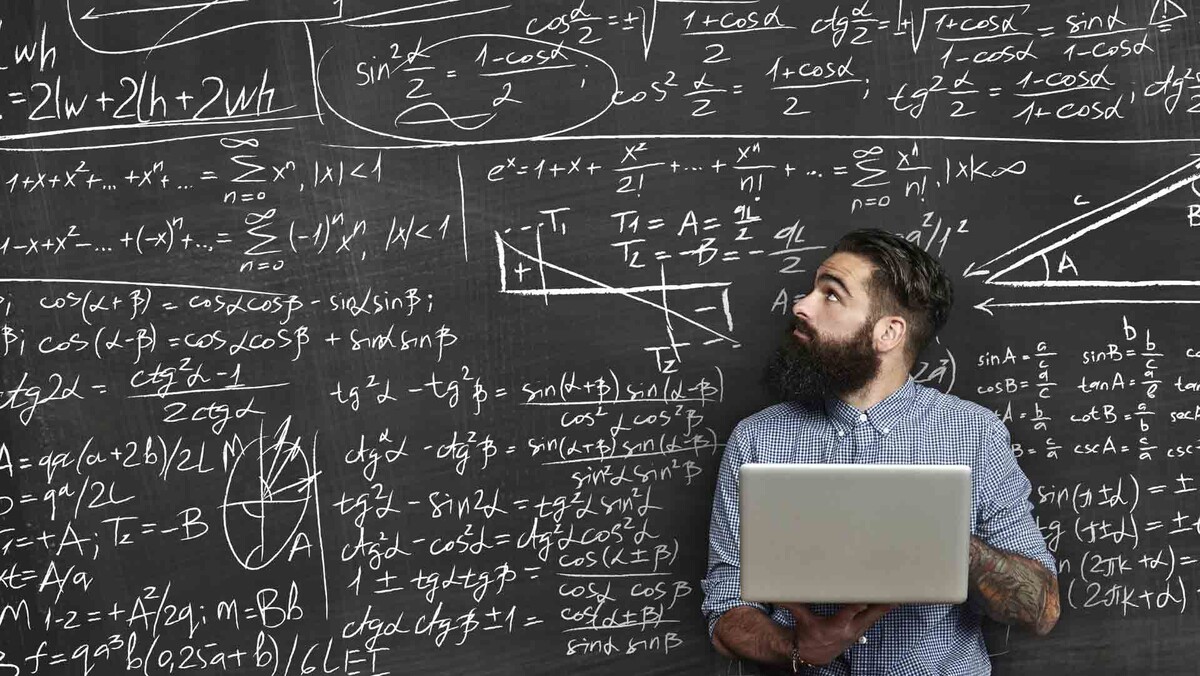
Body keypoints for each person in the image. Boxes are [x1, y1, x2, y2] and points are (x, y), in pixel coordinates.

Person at [701, 229, 1059, 675]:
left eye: (831, 295)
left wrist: (947, 544)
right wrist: (794, 646)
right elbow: (726, 608)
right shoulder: (757, 439)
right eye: (812, 290)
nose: (801, 306)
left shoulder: (976, 434)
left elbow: (1041, 608)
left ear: (888, 332)